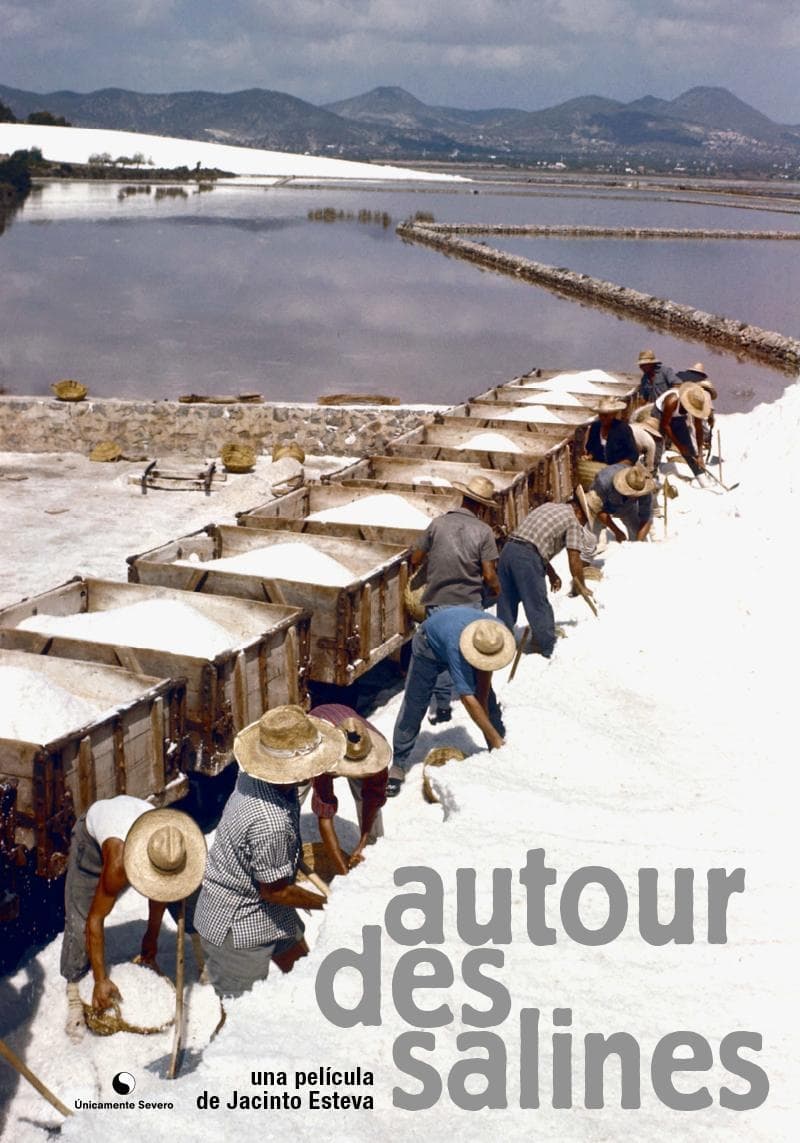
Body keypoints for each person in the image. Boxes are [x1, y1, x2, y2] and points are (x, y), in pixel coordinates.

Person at [193, 706, 336, 998]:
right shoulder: (271, 822)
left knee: (304, 977)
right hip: (237, 923)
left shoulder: (256, 776)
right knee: (239, 1020)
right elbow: (275, 890)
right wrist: (330, 903)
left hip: (270, 906)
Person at [60, 796, 205, 1041]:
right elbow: (95, 919)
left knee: (188, 895)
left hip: (139, 827)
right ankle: (74, 991)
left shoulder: (170, 844)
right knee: (80, 914)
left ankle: (205, 962)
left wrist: (151, 941)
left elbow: (160, 893)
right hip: (93, 837)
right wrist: (100, 980)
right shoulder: (117, 864)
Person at [389, 611, 515, 796]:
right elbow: (467, 699)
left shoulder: (494, 632)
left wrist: (484, 700)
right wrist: (491, 732)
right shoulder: (456, 647)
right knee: (416, 702)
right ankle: (398, 764)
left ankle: (497, 747)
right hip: (428, 645)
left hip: (458, 636)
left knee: (487, 698)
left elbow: (483, 681)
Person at [410, 472, 501, 724]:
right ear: (482, 507)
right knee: (465, 652)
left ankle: (441, 707)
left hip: (437, 601)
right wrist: (496, 589)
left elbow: (416, 559)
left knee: (439, 652)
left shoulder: (437, 523)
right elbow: (488, 574)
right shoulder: (484, 532)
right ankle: (480, 707)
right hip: (468, 604)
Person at [496, 495, 596, 659]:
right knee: (537, 604)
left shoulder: (548, 506)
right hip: (527, 557)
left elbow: (533, 541)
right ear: (580, 512)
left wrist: (551, 573)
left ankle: (498, 645)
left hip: (508, 550)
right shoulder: (573, 521)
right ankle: (549, 649)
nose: (583, 524)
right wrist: (581, 586)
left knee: (506, 603)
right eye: (585, 520)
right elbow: (574, 558)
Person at [306, 703, 390, 875]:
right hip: (317, 729)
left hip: (343, 718)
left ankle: (373, 850)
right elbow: (325, 814)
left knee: (365, 797)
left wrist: (364, 841)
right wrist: (343, 871)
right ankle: (287, 851)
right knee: (293, 794)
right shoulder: (324, 753)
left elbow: (373, 799)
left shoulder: (377, 754)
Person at [655, 378, 712, 478]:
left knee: (689, 448)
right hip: (660, 414)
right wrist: (679, 446)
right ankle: (654, 473)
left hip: (678, 417)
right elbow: (665, 425)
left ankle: (700, 476)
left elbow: (699, 429)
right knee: (658, 444)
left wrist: (700, 455)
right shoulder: (672, 401)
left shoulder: (696, 403)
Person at [587, 462, 655, 542]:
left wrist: (638, 544)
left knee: (638, 536)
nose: (635, 498)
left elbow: (646, 518)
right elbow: (597, 509)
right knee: (591, 542)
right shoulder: (604, 481)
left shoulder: (642, 483)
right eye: (632, 494)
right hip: (600, 507)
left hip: (627, 508)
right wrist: (617, 531)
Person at [584, 397, 639, 466]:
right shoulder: (595, 427)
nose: (603, 418)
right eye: (601, 415)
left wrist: (616, 467)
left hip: (619, 469)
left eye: (606, 416)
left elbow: (633, 455)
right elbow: (591, 448)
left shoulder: (623, 429)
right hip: (597, 467)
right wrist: (589, 457)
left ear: (613, 415)